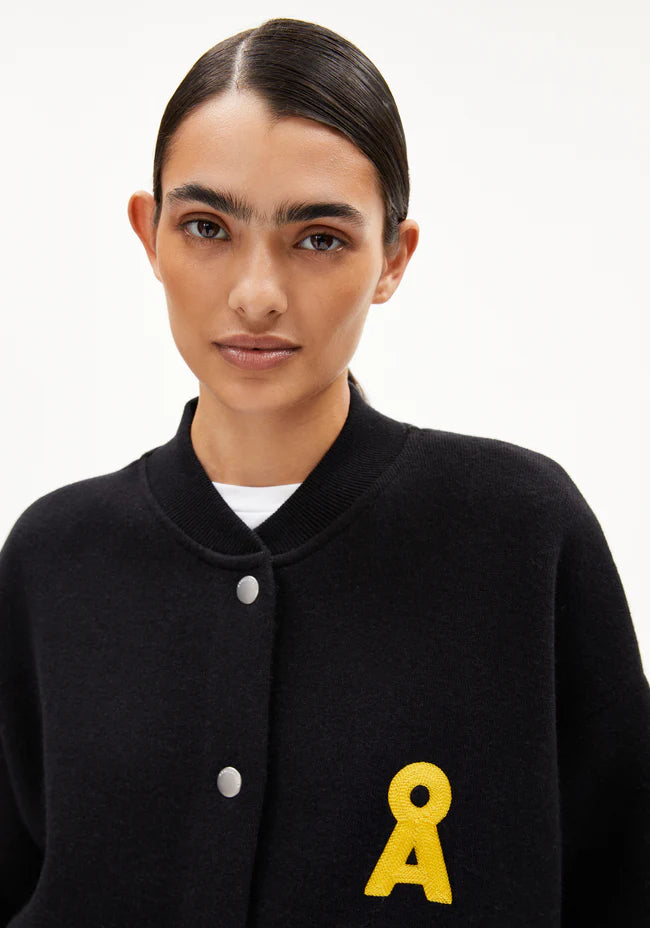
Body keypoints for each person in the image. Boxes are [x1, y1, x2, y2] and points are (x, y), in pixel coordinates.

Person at [0, 16, 648, 927]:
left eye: (318, 238)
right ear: (149, 235)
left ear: (393, 257)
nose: (256, 294)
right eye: (207, 227)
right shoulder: (53, 559)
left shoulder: (521, 535)